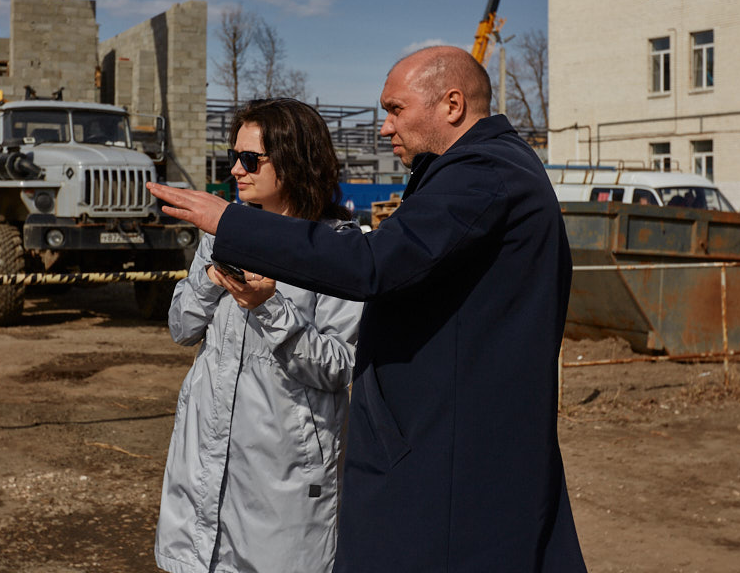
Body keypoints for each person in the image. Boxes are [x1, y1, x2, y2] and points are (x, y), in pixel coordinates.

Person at [147, 46, 587, 572]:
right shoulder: (481, 170)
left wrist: (238, 238)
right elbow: (182, 326)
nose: (383, 127)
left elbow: (373, 268)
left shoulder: (482, 174)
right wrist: (220, 249)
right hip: (231, 471)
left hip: (441, 454)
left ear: (451, 104)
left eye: (395, 109)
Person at [154, 98, 364, 573]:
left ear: (294, 159)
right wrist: (210, 279)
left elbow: (338, 367)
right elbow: (182, 329)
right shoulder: (221, 231)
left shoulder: (338, 247)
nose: (235, 170)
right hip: (204, 456)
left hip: (282, 473)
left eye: (250, 159)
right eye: (234, 156)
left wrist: (268, 307)